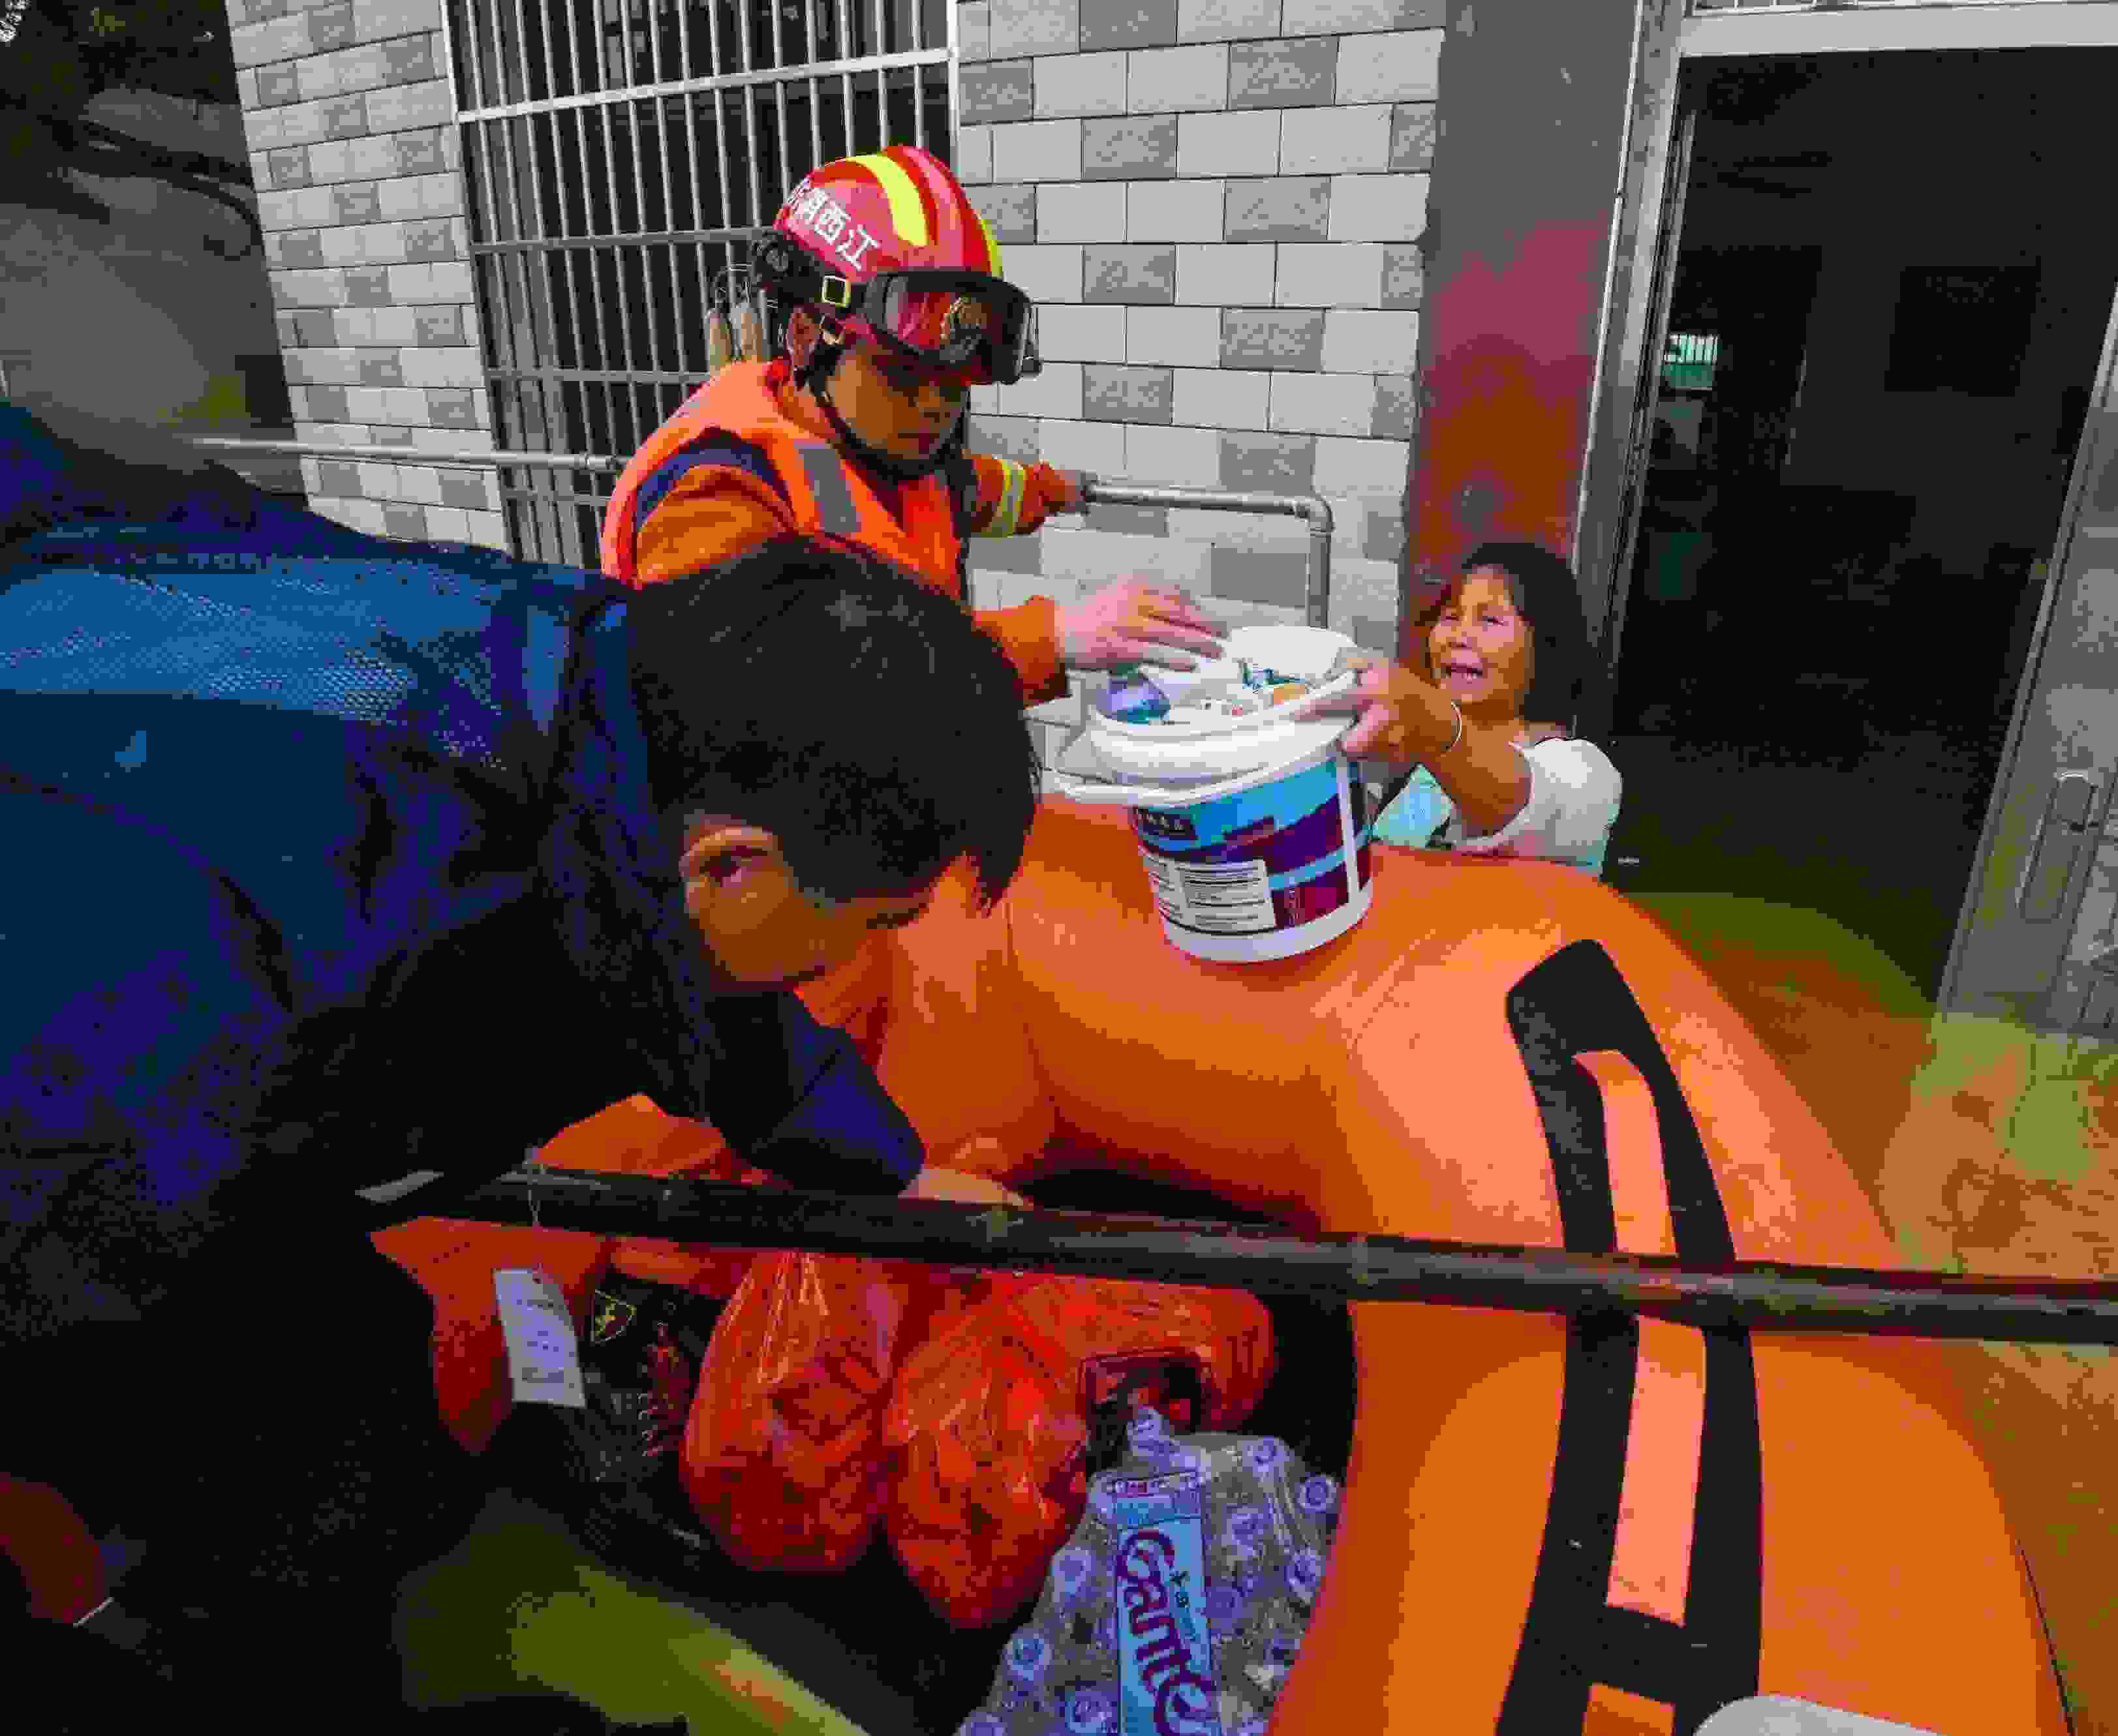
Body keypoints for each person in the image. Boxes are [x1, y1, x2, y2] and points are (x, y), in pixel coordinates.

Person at [0, 400, 1031, 1724]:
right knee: (234, 1463)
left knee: (356, 1400)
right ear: (737, 863)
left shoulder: (604, 689)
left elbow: (697, 987)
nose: (870, 952)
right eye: (878, 922)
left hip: (162, 979)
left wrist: (892, 1172)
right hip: (67, 1129)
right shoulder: (283, 958)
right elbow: (75, 1244)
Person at [602, 144, 1226, 697]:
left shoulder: (901, 455)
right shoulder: (713, 488)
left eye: (955, 387)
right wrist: (1054, 637)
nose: (934, 408)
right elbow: (795, 687)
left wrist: (1062, 491)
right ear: (806, 336)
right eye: (903, 378)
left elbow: (980, 489)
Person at [1312, 541, 1623, 876]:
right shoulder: (1425, 771)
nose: (1458, 636)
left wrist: (1427, 718)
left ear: (1548, 643)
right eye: (1449, 617)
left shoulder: (1588, 777)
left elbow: (1520, 802)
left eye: (1489, 620)